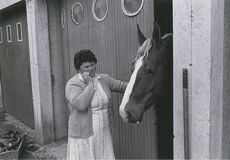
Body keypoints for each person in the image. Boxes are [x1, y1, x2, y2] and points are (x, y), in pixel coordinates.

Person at [65, 49, 127, 160]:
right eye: (86, 67)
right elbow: (80, 105)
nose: (91, 69)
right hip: (83, 134)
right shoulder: (73, 84)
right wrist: (90, 84)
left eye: (92, 65)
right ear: (78, 69)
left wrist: (141, 85)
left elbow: (123, 86)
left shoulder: (103, 79)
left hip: (103, 130)